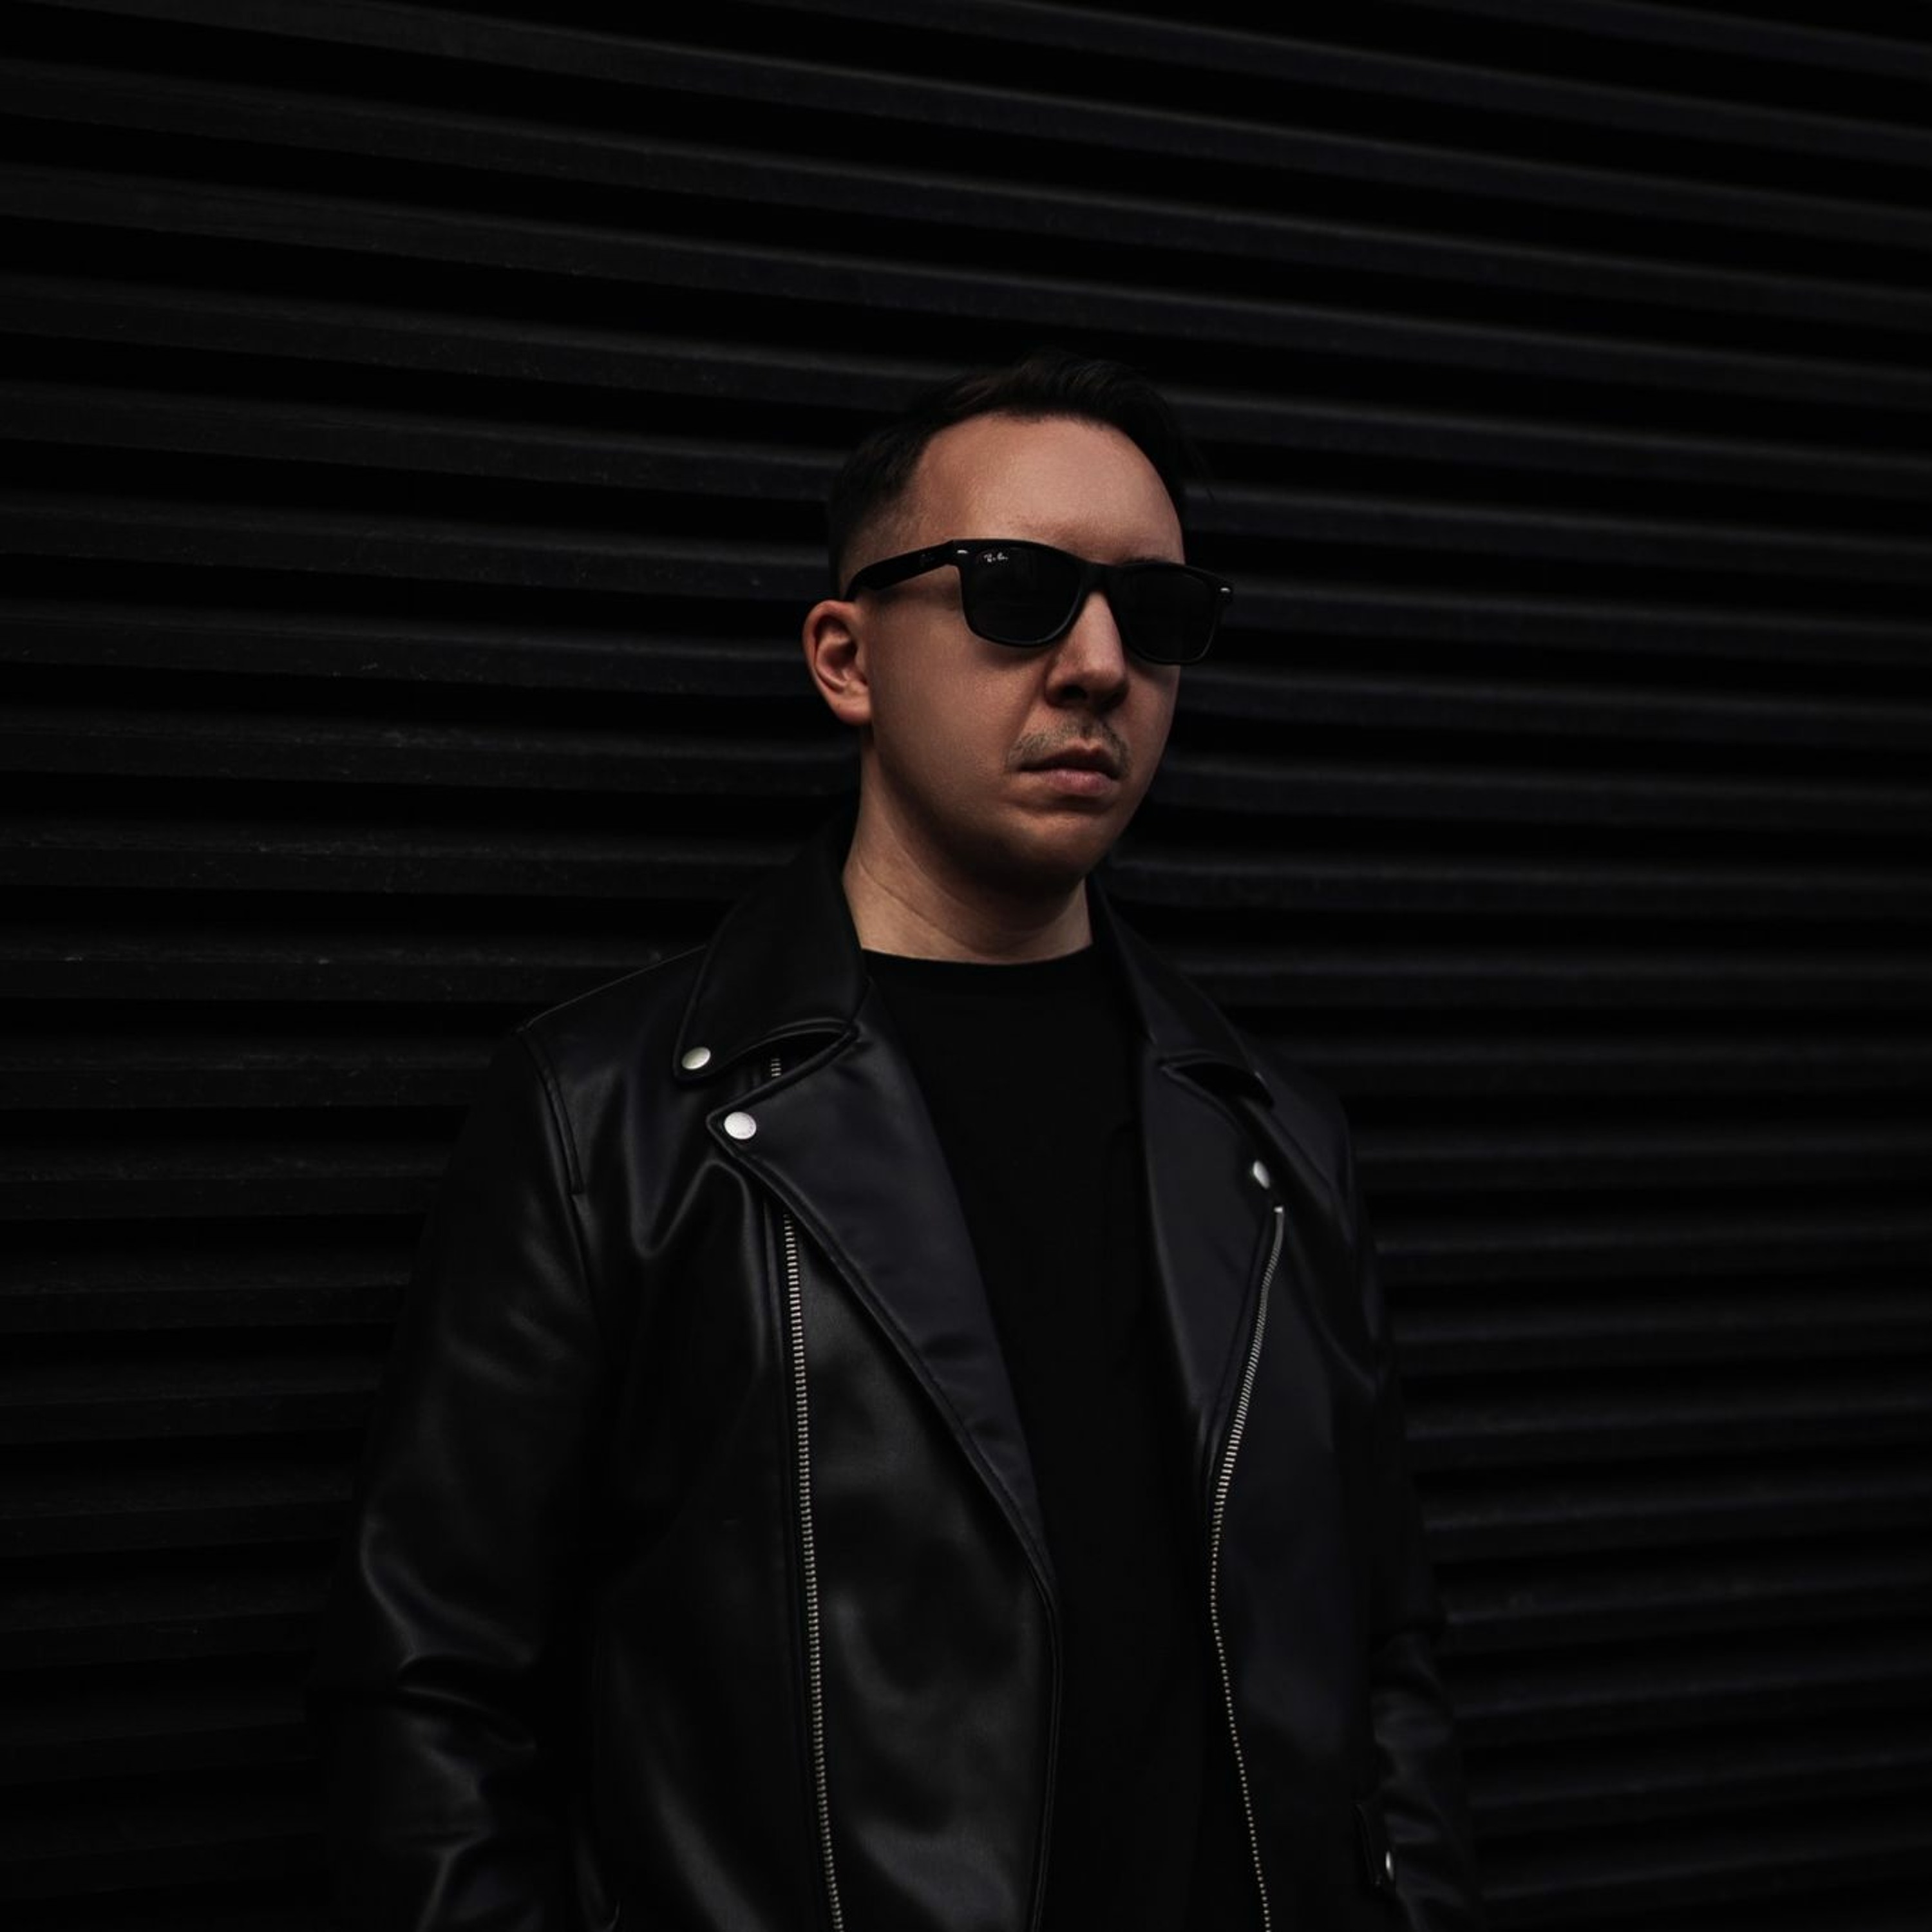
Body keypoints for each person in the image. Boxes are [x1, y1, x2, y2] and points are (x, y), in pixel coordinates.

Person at [305, 347, 1487, 1931]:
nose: (1097, 664)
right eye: (1018, 592)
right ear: (845, 658)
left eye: (1155, 611)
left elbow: (1383, 1667)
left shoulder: (1271, 1140)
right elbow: (431, 1704)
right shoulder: (611, 1124)